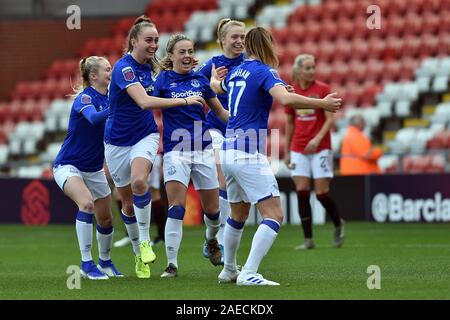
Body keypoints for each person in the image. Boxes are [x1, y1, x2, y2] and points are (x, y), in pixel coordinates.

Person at [210, 27, 341, 286]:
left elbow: (216, 87)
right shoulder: (264, 71)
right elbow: (286, 100)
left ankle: (228, 270)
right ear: (267, 45)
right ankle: (248, 272)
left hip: (228, 152)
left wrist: (214, 78)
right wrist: (323, 104)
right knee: (274, 215)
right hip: (248, 154)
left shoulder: (238, 71)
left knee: (238, 214)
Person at [104, 16, 205, 279]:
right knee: (126, 204)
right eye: (149, 40)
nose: (153, 45)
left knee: (140, 183)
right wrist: (185, 102)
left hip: (145, 135)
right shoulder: (124, 69)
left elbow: (180, 74)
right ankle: (139, 252)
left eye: (157, 40)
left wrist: (201, 71)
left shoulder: (153, 65)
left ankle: (146, 241)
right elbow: (145, 102)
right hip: (116, 141)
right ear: (134, 41)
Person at [152, 34, 229, 278]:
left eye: (190, 51)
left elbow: (219, 111)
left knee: (213, 212)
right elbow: (147, 102)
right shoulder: (162, 80)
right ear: (171, 56)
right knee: (176, 207)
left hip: (204, 149)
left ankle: (211, 240)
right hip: (176, 151)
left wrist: (242, 124)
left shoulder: (200, 80)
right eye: (182, 52)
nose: (187, 56)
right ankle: (172, 264)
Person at [53, 56, 122, 280]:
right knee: (86, 204)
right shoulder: (85, 98)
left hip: (94, 169)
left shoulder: (112, 97)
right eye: (107, 69)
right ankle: (86, 264)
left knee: (106, 219)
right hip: (68, 165)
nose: (111, 72)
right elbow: (93, 119)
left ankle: (105, 262)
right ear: (94, 76)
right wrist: (117, 105)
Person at [284, 54, 345, 251]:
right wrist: (286, 150)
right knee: (302, 192)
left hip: (320, 147)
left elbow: (329, 119)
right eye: (308, 68)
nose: (311, 71)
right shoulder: (291, 91)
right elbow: (290, 122)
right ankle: (308, 239)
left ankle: (337, 223)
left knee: (321, 194)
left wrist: (317, 139)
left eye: (313, 67)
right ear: (299, 70)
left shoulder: (322, 89)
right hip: (298, 147)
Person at [196, 19, 246, 259]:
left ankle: (211, 238)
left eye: (242, 36)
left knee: (236, 188)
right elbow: (191, 86)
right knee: (223, 179)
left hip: (242, 132)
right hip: (215, 128)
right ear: (222, 40)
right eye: (234, 36)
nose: (239, 41)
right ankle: (223, 243)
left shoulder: (250, 63)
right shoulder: (212, 64)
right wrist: (210, 86)